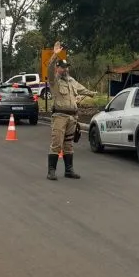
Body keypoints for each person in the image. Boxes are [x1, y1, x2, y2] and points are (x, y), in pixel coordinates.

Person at [46, 41, 97, 181]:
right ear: (57, 68)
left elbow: (82, 89)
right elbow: (49, 68)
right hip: (59, 116)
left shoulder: (72, 81)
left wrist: (92, 93)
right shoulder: (54, 81)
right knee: (57, 143)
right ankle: (51, 171)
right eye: (62, 67)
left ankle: (69, 170)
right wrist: (54, 55)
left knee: (68, 144)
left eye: (66, 67)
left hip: (72, 117)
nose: (65, 69)